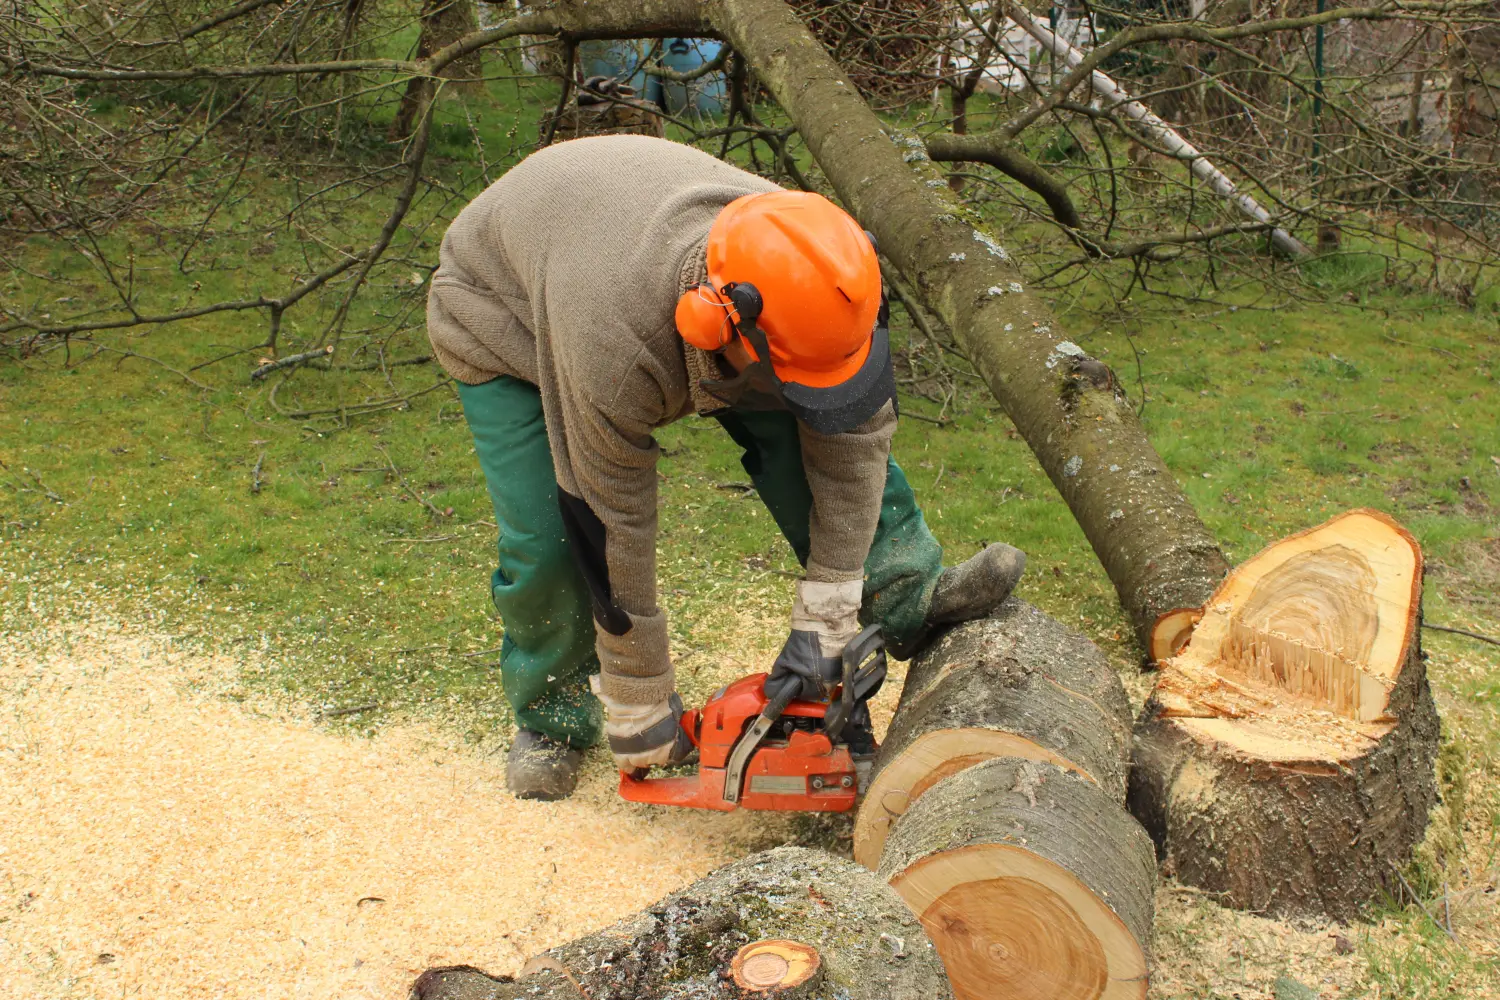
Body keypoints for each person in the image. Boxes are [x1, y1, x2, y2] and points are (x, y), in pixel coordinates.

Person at [426, 135, 1026, 801]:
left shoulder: (825, 271)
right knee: (549, 536)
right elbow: (607, 513)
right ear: (713, 325)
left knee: (813, 436)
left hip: (646, 261)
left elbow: (855, 445)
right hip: (503, 313)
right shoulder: (615, 342)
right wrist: (639, 692)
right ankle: (556, 720)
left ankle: (906, 596)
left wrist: (826, 622)